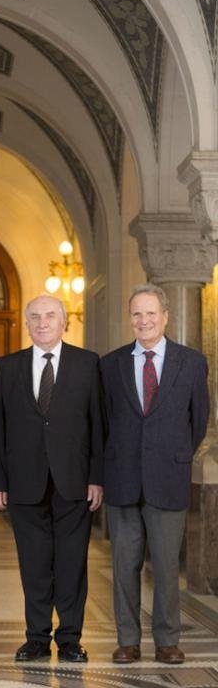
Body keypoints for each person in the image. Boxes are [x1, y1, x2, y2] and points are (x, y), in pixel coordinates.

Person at [0, 295, 104, 663]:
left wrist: (96, 477)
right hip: (24, 483)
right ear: (27, 324)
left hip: (74, 481)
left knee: (72, 564)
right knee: (34, 566)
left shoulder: (88, 363)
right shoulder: (8, 367)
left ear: (63, 321)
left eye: (50, 316)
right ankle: (36, 638)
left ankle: (70, 639)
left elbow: (98, 425)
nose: (42, 323)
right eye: (35, 317)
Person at [100, 283, 209, 665]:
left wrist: (176, 455)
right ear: (130, 318)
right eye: (137, 314)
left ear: (165, 317)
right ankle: (128, 641)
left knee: (165, 567)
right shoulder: (110, 365)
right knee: (124, 566)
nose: (143, 320)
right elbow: (104, 422)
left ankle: (167, 641)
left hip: (168, 478)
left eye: (150, 313)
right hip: (123, 479)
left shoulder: (191, 362)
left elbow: (199, 419)